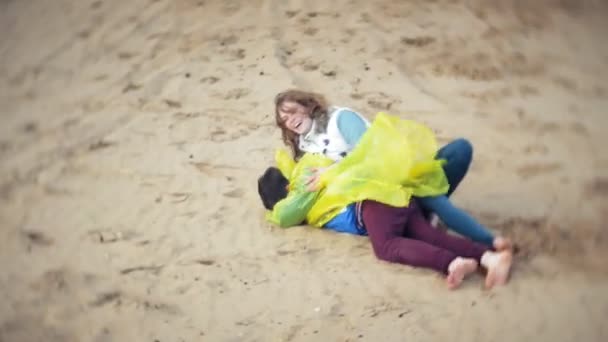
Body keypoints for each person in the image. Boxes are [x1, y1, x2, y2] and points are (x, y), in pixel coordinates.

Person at [273, 89, 511, 250]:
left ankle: (487, 241)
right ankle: (484, 241)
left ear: (308, 105)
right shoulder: (304, 146)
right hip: (376, 197)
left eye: (292, 112)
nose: (290, 121)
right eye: (284, 120)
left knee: (457, 154)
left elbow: (370, 152)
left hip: (391, 173)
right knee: (430, 201)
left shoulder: (340, 119)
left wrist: (333, 171)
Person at [257, 166, 513, 290]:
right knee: (428, 235)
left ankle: (451, 263)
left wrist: (274, 211)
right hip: (394, 196)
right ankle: (490, 258)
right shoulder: (309, 175)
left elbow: (284, 216)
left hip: (373, 203)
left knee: (386, 246)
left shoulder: (301, 192)